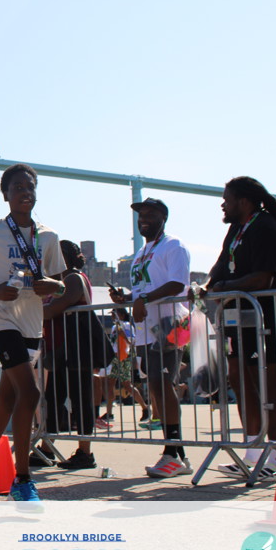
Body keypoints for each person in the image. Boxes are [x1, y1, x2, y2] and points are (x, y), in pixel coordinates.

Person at [0, 164, 66, 504]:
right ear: (5, 194)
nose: (25, 193)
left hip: (32, 324)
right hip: (1, 321)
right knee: (30, 394)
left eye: (30, 187)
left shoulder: (48, 236)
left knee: (7, 399)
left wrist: (53, 286)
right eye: (17, 187)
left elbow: (62, 283)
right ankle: (23, 479)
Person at [200, 176, 276, 480]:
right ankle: (253, 452)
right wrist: (208, 285)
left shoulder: (266, 226)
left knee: (267, 383)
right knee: (239, 377)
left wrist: (226, 287)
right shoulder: (236, 229)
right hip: (237, 315)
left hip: (265, 314)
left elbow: (262, 278)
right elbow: (220, 265)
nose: (223, 205)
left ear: (243, 202)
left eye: (227, 199)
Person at [108, 198, 192, 479]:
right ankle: (177, 454)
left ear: (163, 218)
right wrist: (125, 297)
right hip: (146, 329)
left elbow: (177, 284)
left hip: (168, 325)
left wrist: (142, 299)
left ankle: (173, 453)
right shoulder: (142, 252)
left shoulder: (173, 245)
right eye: (140, 214)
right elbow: (143, 289)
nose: (143, 218)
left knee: (162, 384)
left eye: (150, 214)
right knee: (156, 387)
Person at [41, 240, 99, 470]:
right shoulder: (60, 280)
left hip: (76, 349)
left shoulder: (73, 278)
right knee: (54, 400)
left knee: (80, 400)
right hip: (61, 349)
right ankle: (47, 449)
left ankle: (85, 452)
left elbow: (56, 308)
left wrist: (29, 313)